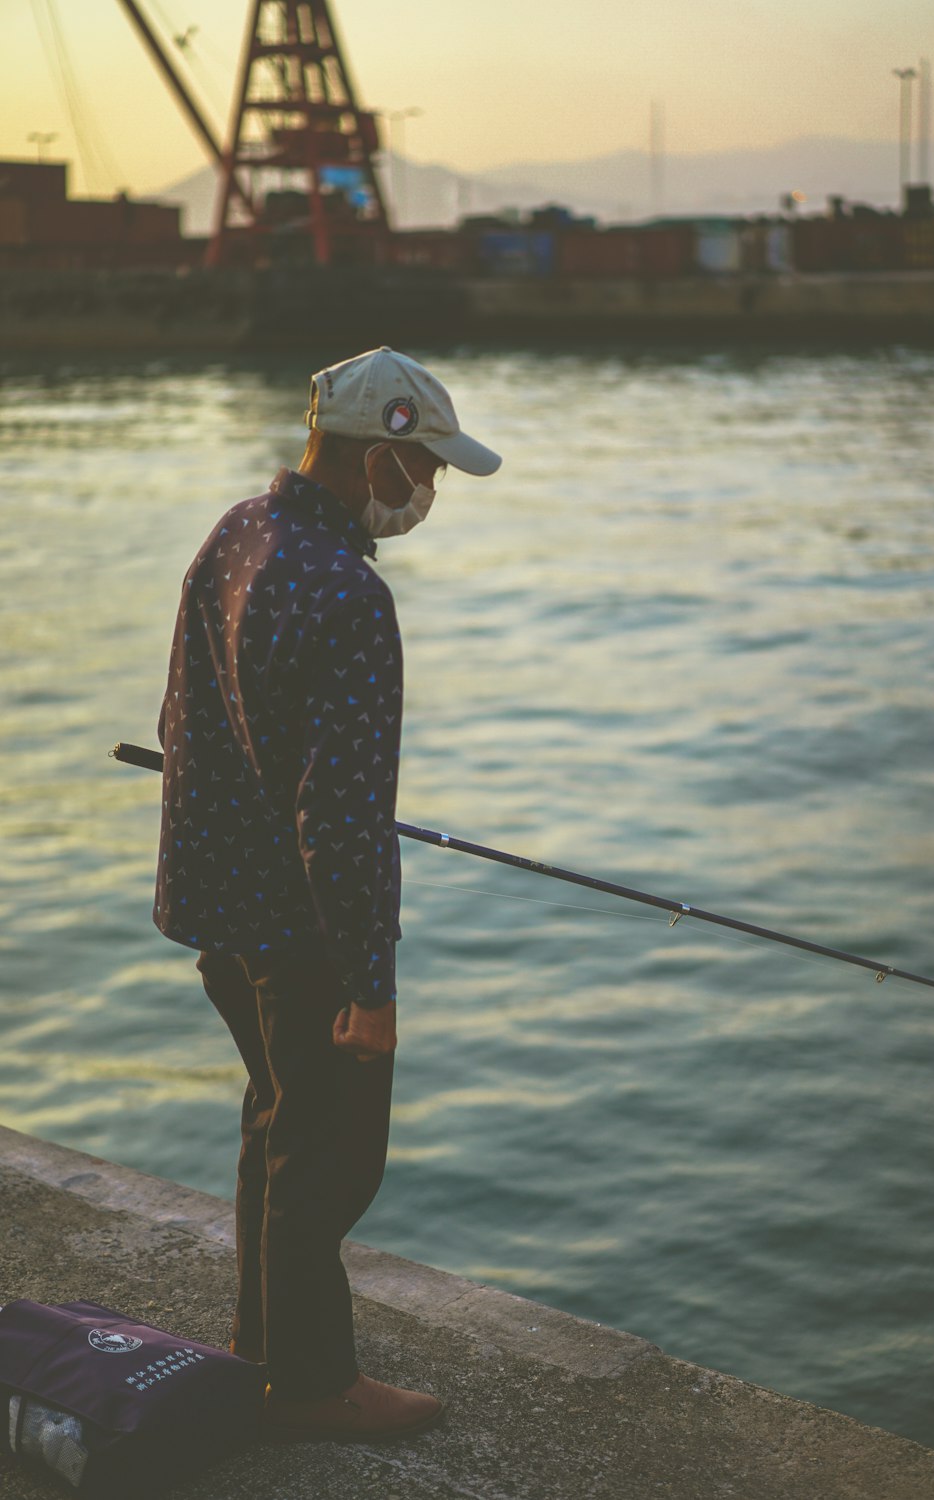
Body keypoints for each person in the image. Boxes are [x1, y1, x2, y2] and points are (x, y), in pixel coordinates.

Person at [153, 347, 501, 1442]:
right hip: (298, 927)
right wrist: (371, 982)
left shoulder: (236, 534)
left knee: (275, 1120)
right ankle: (311, 1386)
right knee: (334, 1153)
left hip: (216, 906)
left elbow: (183, 724)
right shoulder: (350, 593)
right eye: (427, 468)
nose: (431, 492)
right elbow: (342, 822)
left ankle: (265, 1348)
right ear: (380, 454)